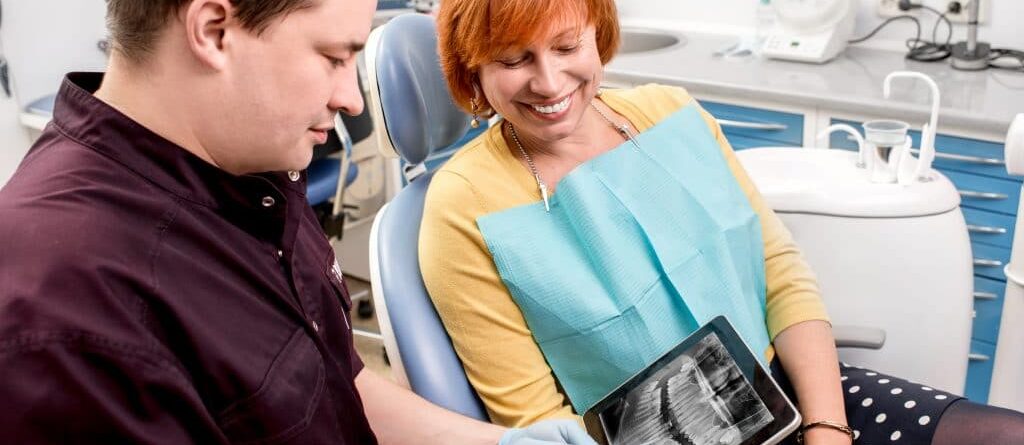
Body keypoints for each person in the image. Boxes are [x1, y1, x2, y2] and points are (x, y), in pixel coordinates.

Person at [418, 0, 1024, 444]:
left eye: (567, 46)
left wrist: (827, 428)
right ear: (472, 70)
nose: (549, 82)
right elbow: (536, 424)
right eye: (514, 59)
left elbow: (781, 275)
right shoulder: (464, 208)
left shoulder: (670, 112)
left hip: (792, 392)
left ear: (597, 36)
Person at [0, 1, 597, 444]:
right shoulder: (64, 313)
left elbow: (328, 384)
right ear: (213, 30)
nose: (353, 99)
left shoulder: (249, 167)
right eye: (335, 58)